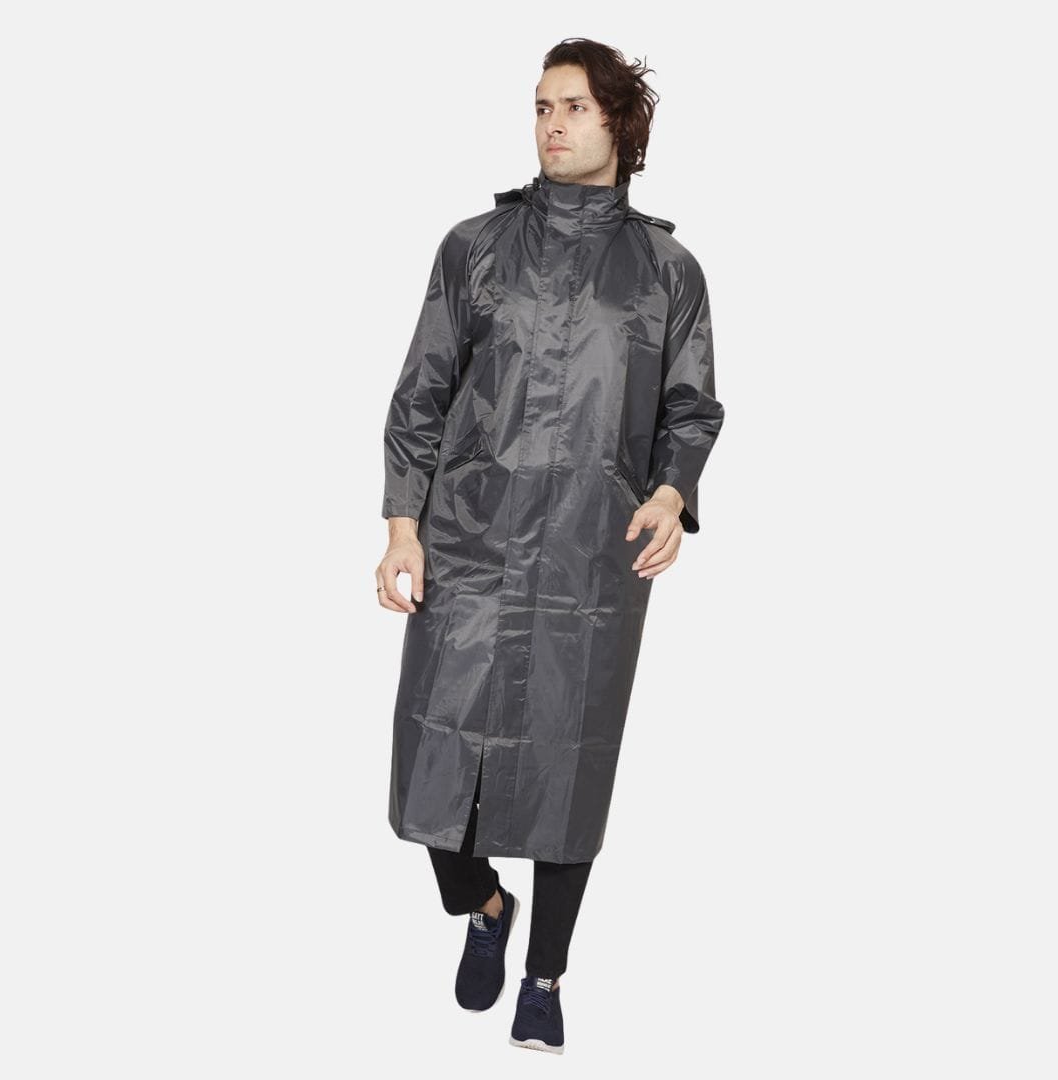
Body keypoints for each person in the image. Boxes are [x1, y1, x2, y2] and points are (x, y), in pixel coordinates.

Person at [377, 37, 725, 1054]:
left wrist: (672, 494)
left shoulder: (667, 272)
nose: (552, 124)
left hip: (589, 559)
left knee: (570, 766)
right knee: (435, 760)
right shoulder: (474, 247)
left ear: (620, 123)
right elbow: (421, 395)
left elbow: (692, 410)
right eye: (540, 106)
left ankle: (545, 975)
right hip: (469, 546)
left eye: (572, 106)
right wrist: (402, 525)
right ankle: (483, 904)